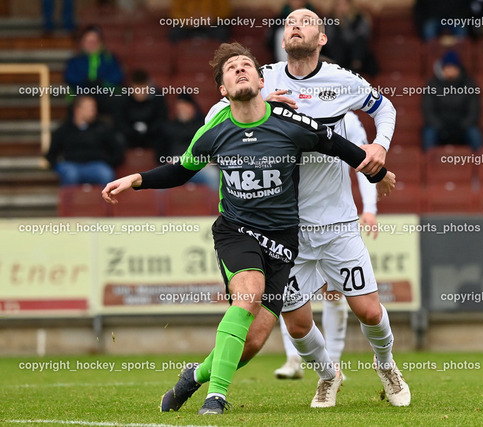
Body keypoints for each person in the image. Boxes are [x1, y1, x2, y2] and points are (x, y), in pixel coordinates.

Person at [101, 42, 395, 415]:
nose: (240, 70)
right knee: (248, 295)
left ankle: (195, 376)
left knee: (253, 341)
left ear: (260, 78)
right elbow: (180, 170)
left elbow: (339, 146)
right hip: (236, 230)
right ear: (222, 90)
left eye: (246, 65)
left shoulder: (292, 123)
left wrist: (380, 174)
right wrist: (136, 179)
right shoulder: (214, 131)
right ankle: (215, 397)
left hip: (283, 239)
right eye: (231, 69)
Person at [168, 8, 410, 409]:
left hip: (335, 221)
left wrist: (379, 148)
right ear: (283, 39)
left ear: (322, 38)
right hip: (286, 227)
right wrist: (257, 103)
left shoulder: (342, 81)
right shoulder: (262, 78)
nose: (296, 25)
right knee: (297, 323)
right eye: (291, 22)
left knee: (367, 311)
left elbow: (385, 108)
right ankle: (328, 375)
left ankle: (386, 364)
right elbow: (216, 115)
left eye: (308, 21)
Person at [274, 110, 379, 380]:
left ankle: (333, 360)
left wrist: (369, 208)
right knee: (291, 297)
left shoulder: (347, 119)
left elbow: (364, 160)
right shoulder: (283, 112)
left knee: (334, 294)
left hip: (334, 224)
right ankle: (293, 358)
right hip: (292, 224)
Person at [46, 95, 124, 186]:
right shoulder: (64, 130)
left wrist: (108, 162)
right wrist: (60, 166)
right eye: (89, 107)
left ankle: (106, 200)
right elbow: (51, 154)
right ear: (77, 110)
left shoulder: (102, 128)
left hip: (96, 165)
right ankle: (69, 200)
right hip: (72, 165)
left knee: (105, 174)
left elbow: (117, 149)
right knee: (70, 174)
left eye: (94, 107)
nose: (93, 110)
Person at [422, 50, 483, 151]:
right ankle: (428, 163)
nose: (450, 70)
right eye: (447, 67)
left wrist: (460, 126)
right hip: (440, 126)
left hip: (462, 126)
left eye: (453, 67)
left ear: (458, 69)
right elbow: (428, 110)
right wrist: (441, 126)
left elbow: (474, 110)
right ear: (442, 69)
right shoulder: (432, 84)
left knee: (475, 134)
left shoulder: (469, 84)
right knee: (429, 134)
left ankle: (480, 164)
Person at [159, 93, 220, 192]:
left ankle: (218, 207)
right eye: (180, 108)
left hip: (200, 165)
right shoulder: (168, 127)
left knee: (213, 175)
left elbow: (215, 146)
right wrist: (166, 160)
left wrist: (210, 160)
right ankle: (160, 208)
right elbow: (161, 150)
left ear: (192, 107)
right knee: (161, 180)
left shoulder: (204, 125)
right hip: (176, 164)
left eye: (185, 107)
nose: (182, 111)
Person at [64, 25, 124, 115]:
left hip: (104, 94)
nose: (91, 44)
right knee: (79, 103)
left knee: (118, 100)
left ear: (100, 42)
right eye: (88, 41)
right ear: (82, 42)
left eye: (94, 41)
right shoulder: (75, 60)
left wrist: (102, 84)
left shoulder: (109, 58)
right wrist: (86, 83)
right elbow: (70, 77)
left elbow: (118, 76)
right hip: (82, 94)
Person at [115, 69, 167, 154]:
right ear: (131, 87)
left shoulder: (158, 97)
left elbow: (161, 120)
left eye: (143, 88)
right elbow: (119, 121)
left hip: (152, 135)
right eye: (137, 89)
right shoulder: (122, 98)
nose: (140, 92)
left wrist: (148, 130)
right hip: (129, 136)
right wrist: (132, 132)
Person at [323, 0, 378, 76]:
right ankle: (339, 68)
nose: (342, 8)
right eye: (339, 5)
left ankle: (355, 66)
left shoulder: (359, 18)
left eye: (345, 5)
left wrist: (346, 22)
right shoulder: (331, 20)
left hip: (355, 52)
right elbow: (329, 39)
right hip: (338, 54)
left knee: (359, 41)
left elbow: (364, 35)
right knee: (336, 43)